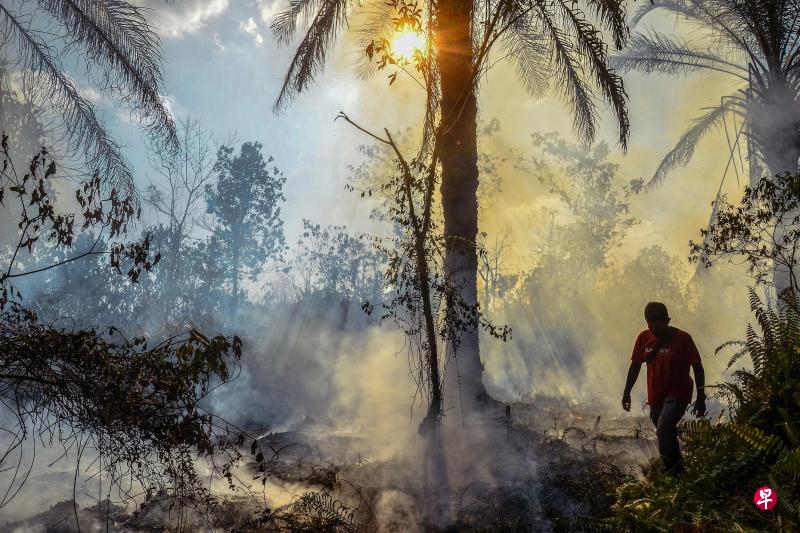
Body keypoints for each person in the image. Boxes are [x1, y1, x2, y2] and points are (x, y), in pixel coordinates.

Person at [621, 302, 706, 476]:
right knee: (665, 432)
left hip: (679, 393)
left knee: (664, 428)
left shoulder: (683, 338)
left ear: (667, 320)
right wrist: (626, 392)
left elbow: (697, 366)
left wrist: (701, 396)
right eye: (650, 325)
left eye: (657, 325)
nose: (654, 329)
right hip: (656, 397)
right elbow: (635, 365)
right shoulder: (643, 338)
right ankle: (679, 471)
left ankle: (673, 474)